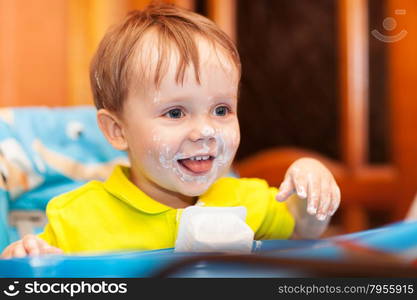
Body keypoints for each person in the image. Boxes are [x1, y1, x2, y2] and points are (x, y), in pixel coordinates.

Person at [1, 3, 340, 258]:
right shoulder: (76, 218)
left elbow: (302, 235)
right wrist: (29, 258)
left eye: (221, 109)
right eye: (176, 112)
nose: (206, 130)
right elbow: (32, 277)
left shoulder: (245, 199)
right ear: (117, 130)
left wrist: (312, 194)